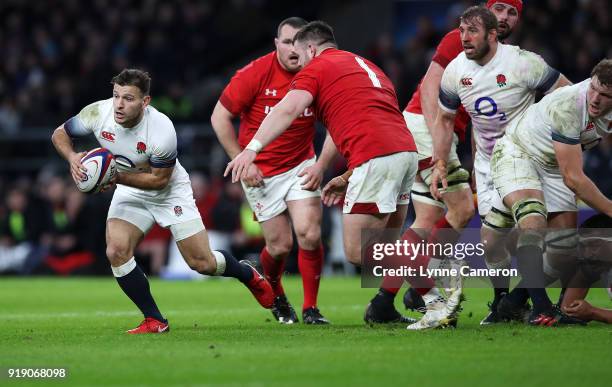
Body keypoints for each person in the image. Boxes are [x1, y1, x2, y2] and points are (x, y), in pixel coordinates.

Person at [225, 21, 457, 327]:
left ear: (311, 48)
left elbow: (287, 109)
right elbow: (366, 119)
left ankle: (438, 296)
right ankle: (407, 302)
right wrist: (347, 175)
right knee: (390, 242)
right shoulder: (365, 65)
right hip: (404, 154)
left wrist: (252, 148)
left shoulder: (317, 68)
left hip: (377, 158)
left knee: (360, 252)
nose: (300, 63)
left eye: (301, 53)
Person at [51, 69, 274, 334]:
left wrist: (114, 178)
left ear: (145, 102)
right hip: (128, 187)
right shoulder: (99, 113)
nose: (119, 105)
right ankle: (154, 319)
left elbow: (158, 180)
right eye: (116, 96)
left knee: (202, 263)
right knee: (116, 251)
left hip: (169, 191)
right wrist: (72, 157)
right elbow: (59, 134)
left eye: (129, 98)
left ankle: (247, 273)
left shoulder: (161, 130)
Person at [419, 5, 572, 329]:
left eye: (472, 31)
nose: (464, 38)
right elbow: (446, 120)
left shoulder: (523, 63)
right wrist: (441, 162)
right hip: (489, 163)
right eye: (461, 31)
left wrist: (555, 133)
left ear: (491, 35)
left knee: (544, 233)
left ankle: (534, 304)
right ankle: (508, 301)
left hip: (526, 155)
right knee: (492, 243)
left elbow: (566, 93)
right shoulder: (455, 71)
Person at [378, 0, 525, 325]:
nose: (504, 17)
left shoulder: (501, 59)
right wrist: (440, 149)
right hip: (426, 127)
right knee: (461, 211)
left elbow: (479, 118)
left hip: (436, 135)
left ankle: (382, 301)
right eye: (499, 8)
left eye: (512, 12)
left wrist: (475, 164)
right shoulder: (460, 39)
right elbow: (431, 86)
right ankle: (422, 289)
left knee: (428, 219)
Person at [211, 17, 333, 325]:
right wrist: (243, 159)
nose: (293, 49)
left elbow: (336, 120)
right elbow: (219, 117)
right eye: (287, 42)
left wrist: (321, 165)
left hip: (301, 164)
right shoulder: (255, 73)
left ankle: (311, 308)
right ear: (276, 44)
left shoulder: (316, 73)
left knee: (309, 232)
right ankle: (276, 294)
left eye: (299, 43)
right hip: (260, 172)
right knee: (280, 246)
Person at [490, 58, 612, 325]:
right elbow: (574, 179)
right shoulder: (569, 105)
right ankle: (541, 307)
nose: (595, 99)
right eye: (593, 89)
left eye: (605, 95)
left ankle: (514, 301)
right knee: (533, 223)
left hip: (554, 164)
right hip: (519, 152)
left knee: (563, 248)